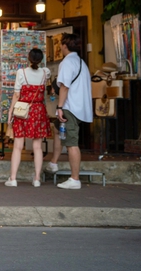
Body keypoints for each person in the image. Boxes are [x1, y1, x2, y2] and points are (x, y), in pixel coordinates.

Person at [44, 34, 92, 189]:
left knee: (71, 142)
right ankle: (53, 163)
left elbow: (64, 86)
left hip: (70, 107)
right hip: (80, 106)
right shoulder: (81, 62)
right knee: (58, 130)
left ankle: (75, 179)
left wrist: (59, 107)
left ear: (64, 46)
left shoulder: (67, 62)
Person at [5, 49, 51, 187]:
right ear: (41, 59)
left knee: (18, 146)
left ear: (28, 58)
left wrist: (10, 112)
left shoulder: (21, 73)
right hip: (38, 111)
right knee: (37, 146)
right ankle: (37, 179)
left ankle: (13, 179)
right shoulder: (45, 72)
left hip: (23, 110)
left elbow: (16, 95)